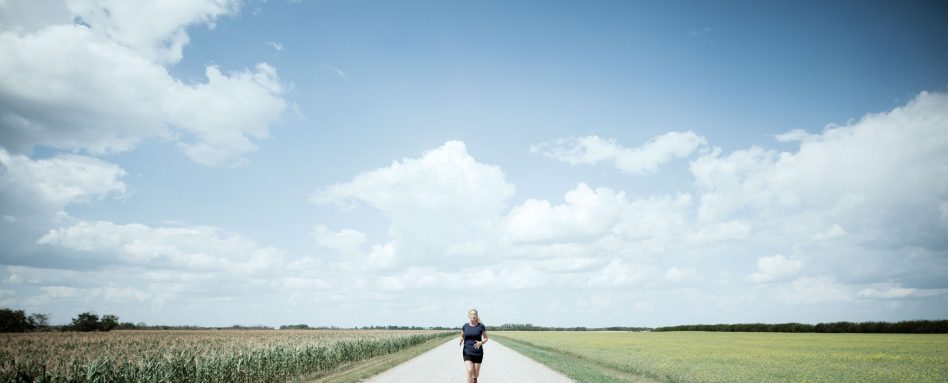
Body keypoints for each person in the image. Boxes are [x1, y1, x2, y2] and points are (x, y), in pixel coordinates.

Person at [459, 308, 488, 383]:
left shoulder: (481, 326)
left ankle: (474, 380)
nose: (473, 315)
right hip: (467, 351)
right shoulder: (465, 326)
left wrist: (481, 342)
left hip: (478, 352)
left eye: (474, 314)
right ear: (468, 315)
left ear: (476, 316)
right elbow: (461, 336)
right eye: (471, 314)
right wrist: (461, 339)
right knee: (469, 371)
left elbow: (486, 338)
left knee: (476, 374)